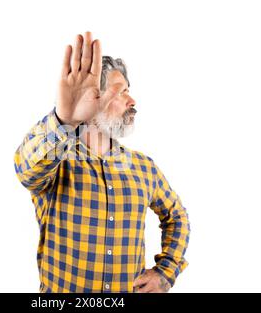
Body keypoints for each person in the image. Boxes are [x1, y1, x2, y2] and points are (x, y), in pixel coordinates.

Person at [14, 31, 190, 293]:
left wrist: (166, 272)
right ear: (91, 98)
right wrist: (64, 119)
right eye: (121, 93)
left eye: (129, 92)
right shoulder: (56, 160)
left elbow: (177, 216)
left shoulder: (144, 167)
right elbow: (25, 168)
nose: (132, 101)